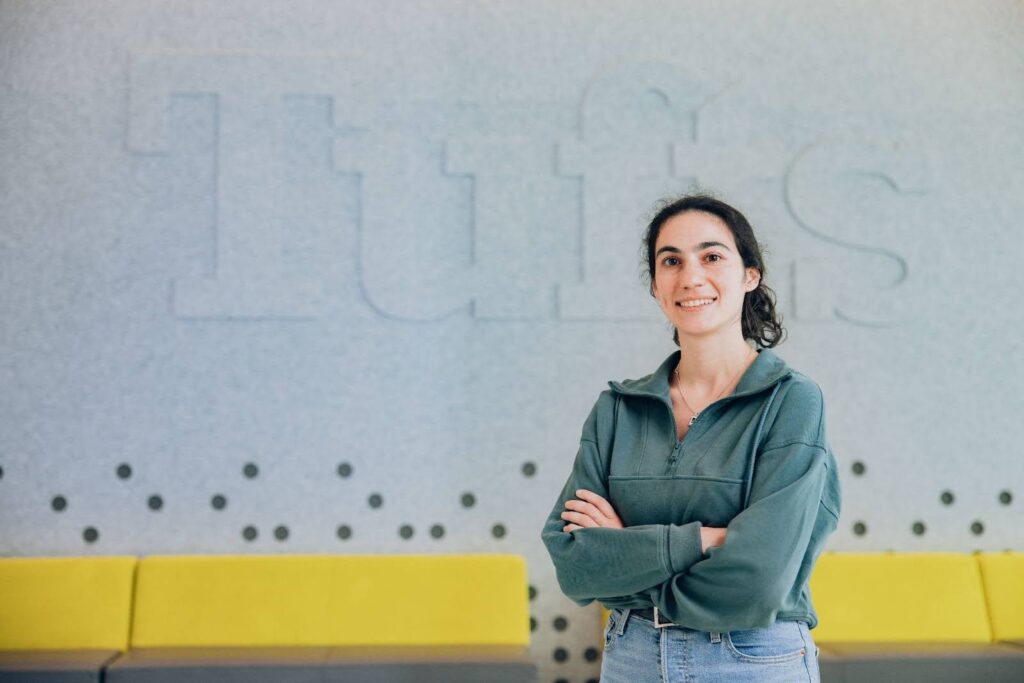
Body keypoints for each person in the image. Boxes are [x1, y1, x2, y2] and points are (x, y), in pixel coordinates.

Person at [539, 193, 841, 682]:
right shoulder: (617, 408)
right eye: (671, 261)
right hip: (631, 656)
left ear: (750, 276)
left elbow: (759, 580)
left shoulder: (791, 402)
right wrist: (707, 540)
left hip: (751, 658)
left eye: (712, 256)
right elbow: (576, 565)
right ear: (657, 287)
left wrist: (628, 554)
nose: (691, 276)